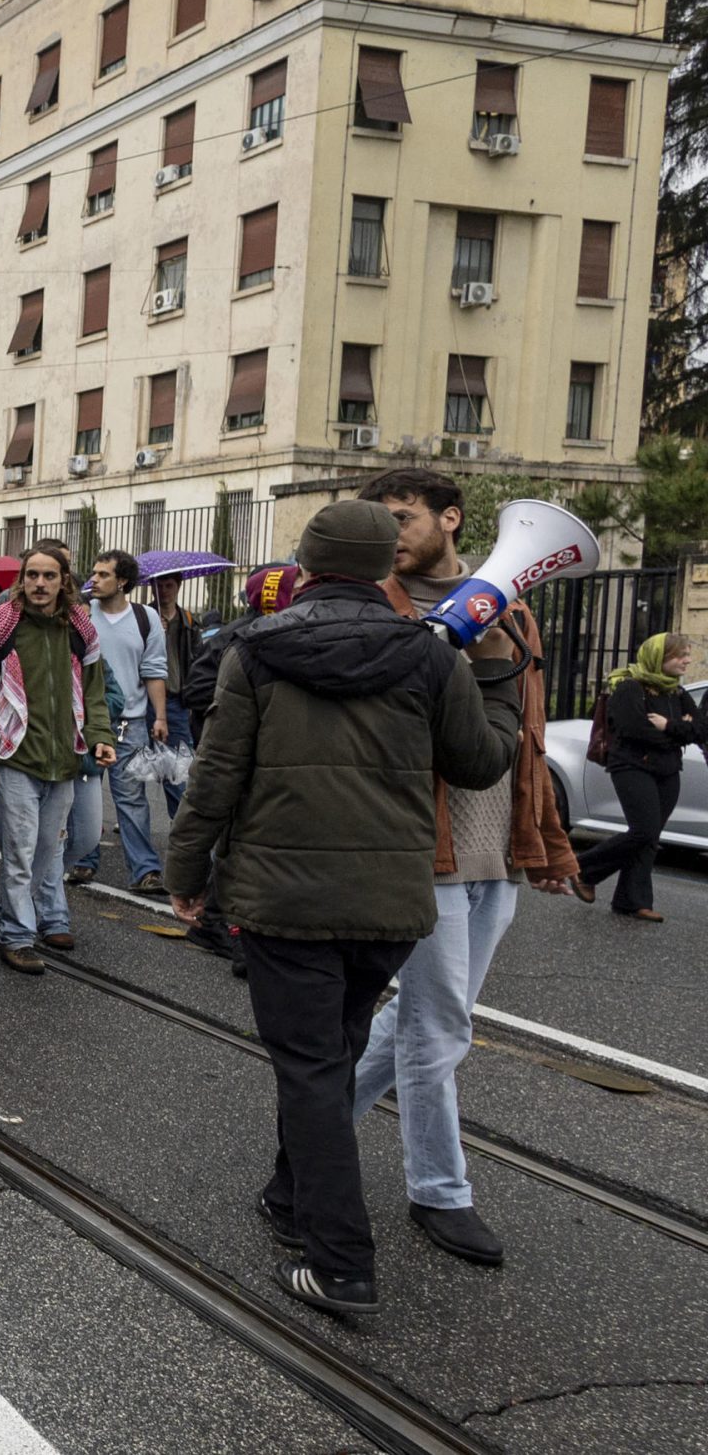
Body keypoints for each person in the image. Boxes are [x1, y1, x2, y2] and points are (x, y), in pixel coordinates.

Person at [166, 501, 521, 1317]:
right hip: (390, 907)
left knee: (312, 1072)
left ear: (307, 562)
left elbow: (216, 776)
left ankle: (341, 1262)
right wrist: (497, 678)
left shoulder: (255, 649)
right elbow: (479, 763)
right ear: (380, 568)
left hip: (284, 900)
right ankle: (291, 1200)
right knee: (339, 1045)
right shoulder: (432, 656)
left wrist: (186, 872)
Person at [346, 469, 582, 1271]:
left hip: (494, 853)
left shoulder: (513, 614)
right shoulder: (379, 606)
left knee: (415, 1019)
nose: (393, 534)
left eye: (405, 518)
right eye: (382, 522)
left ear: (451, 519)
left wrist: (545, 842)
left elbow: (530, 742)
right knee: (438, 1026)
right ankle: (439, 1190)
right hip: (423, 849)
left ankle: (310, 1133)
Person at [0, 546, 115, 973]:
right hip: (15, 757)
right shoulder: (0, 625)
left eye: (49, 576)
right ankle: (17, 937)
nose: (40, 584)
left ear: (64, 579)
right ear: (23, 579)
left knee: (48, 853)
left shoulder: (81, 629)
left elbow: (95, 692)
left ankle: (1, 916)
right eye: (32, 575)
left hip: (65, 759)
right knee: (21, 850)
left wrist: (100, 737)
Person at [177, 562, 298, 970]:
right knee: (236, 844)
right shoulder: (237, 639)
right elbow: (195, 691)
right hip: (232, 753)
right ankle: (232, 933)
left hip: (257, 754)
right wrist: (237, 706)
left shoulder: (278, 634)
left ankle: (216, 923)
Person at [571, 633, 698, 922]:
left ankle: (631, 900)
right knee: (643, 829)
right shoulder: (629, 688)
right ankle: (583, 869)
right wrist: (678, 732)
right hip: (631, 766)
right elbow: (633, 730)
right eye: (681, 655)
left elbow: (701, 730)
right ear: (659, 658)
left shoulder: (677, 693)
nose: (687, 661)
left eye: (688, 654)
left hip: (667, 771)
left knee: (650, 836)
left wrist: (669, 726)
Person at [70, 550, 168, 894]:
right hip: (86, 720)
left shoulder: (146, 617)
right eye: (93, 573)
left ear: (122, 581)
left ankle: (145, 870)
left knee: (132, 798)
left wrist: (160, 716)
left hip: (131, 723)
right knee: (84, 792)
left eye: (102, 575)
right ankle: (82, 859)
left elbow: (154, 670)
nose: (93, 580)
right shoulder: (81, 613)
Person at [150, 572, 204, 821]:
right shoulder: (144, 617)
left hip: (176, 700)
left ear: (178, 587)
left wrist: (192, 698)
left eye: (169, 585)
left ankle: (181, 826)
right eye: (159, 585)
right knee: (135, 768)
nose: (164, 591)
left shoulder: (189, 621)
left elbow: (196, 661)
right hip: (145, 700)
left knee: (176, 772)